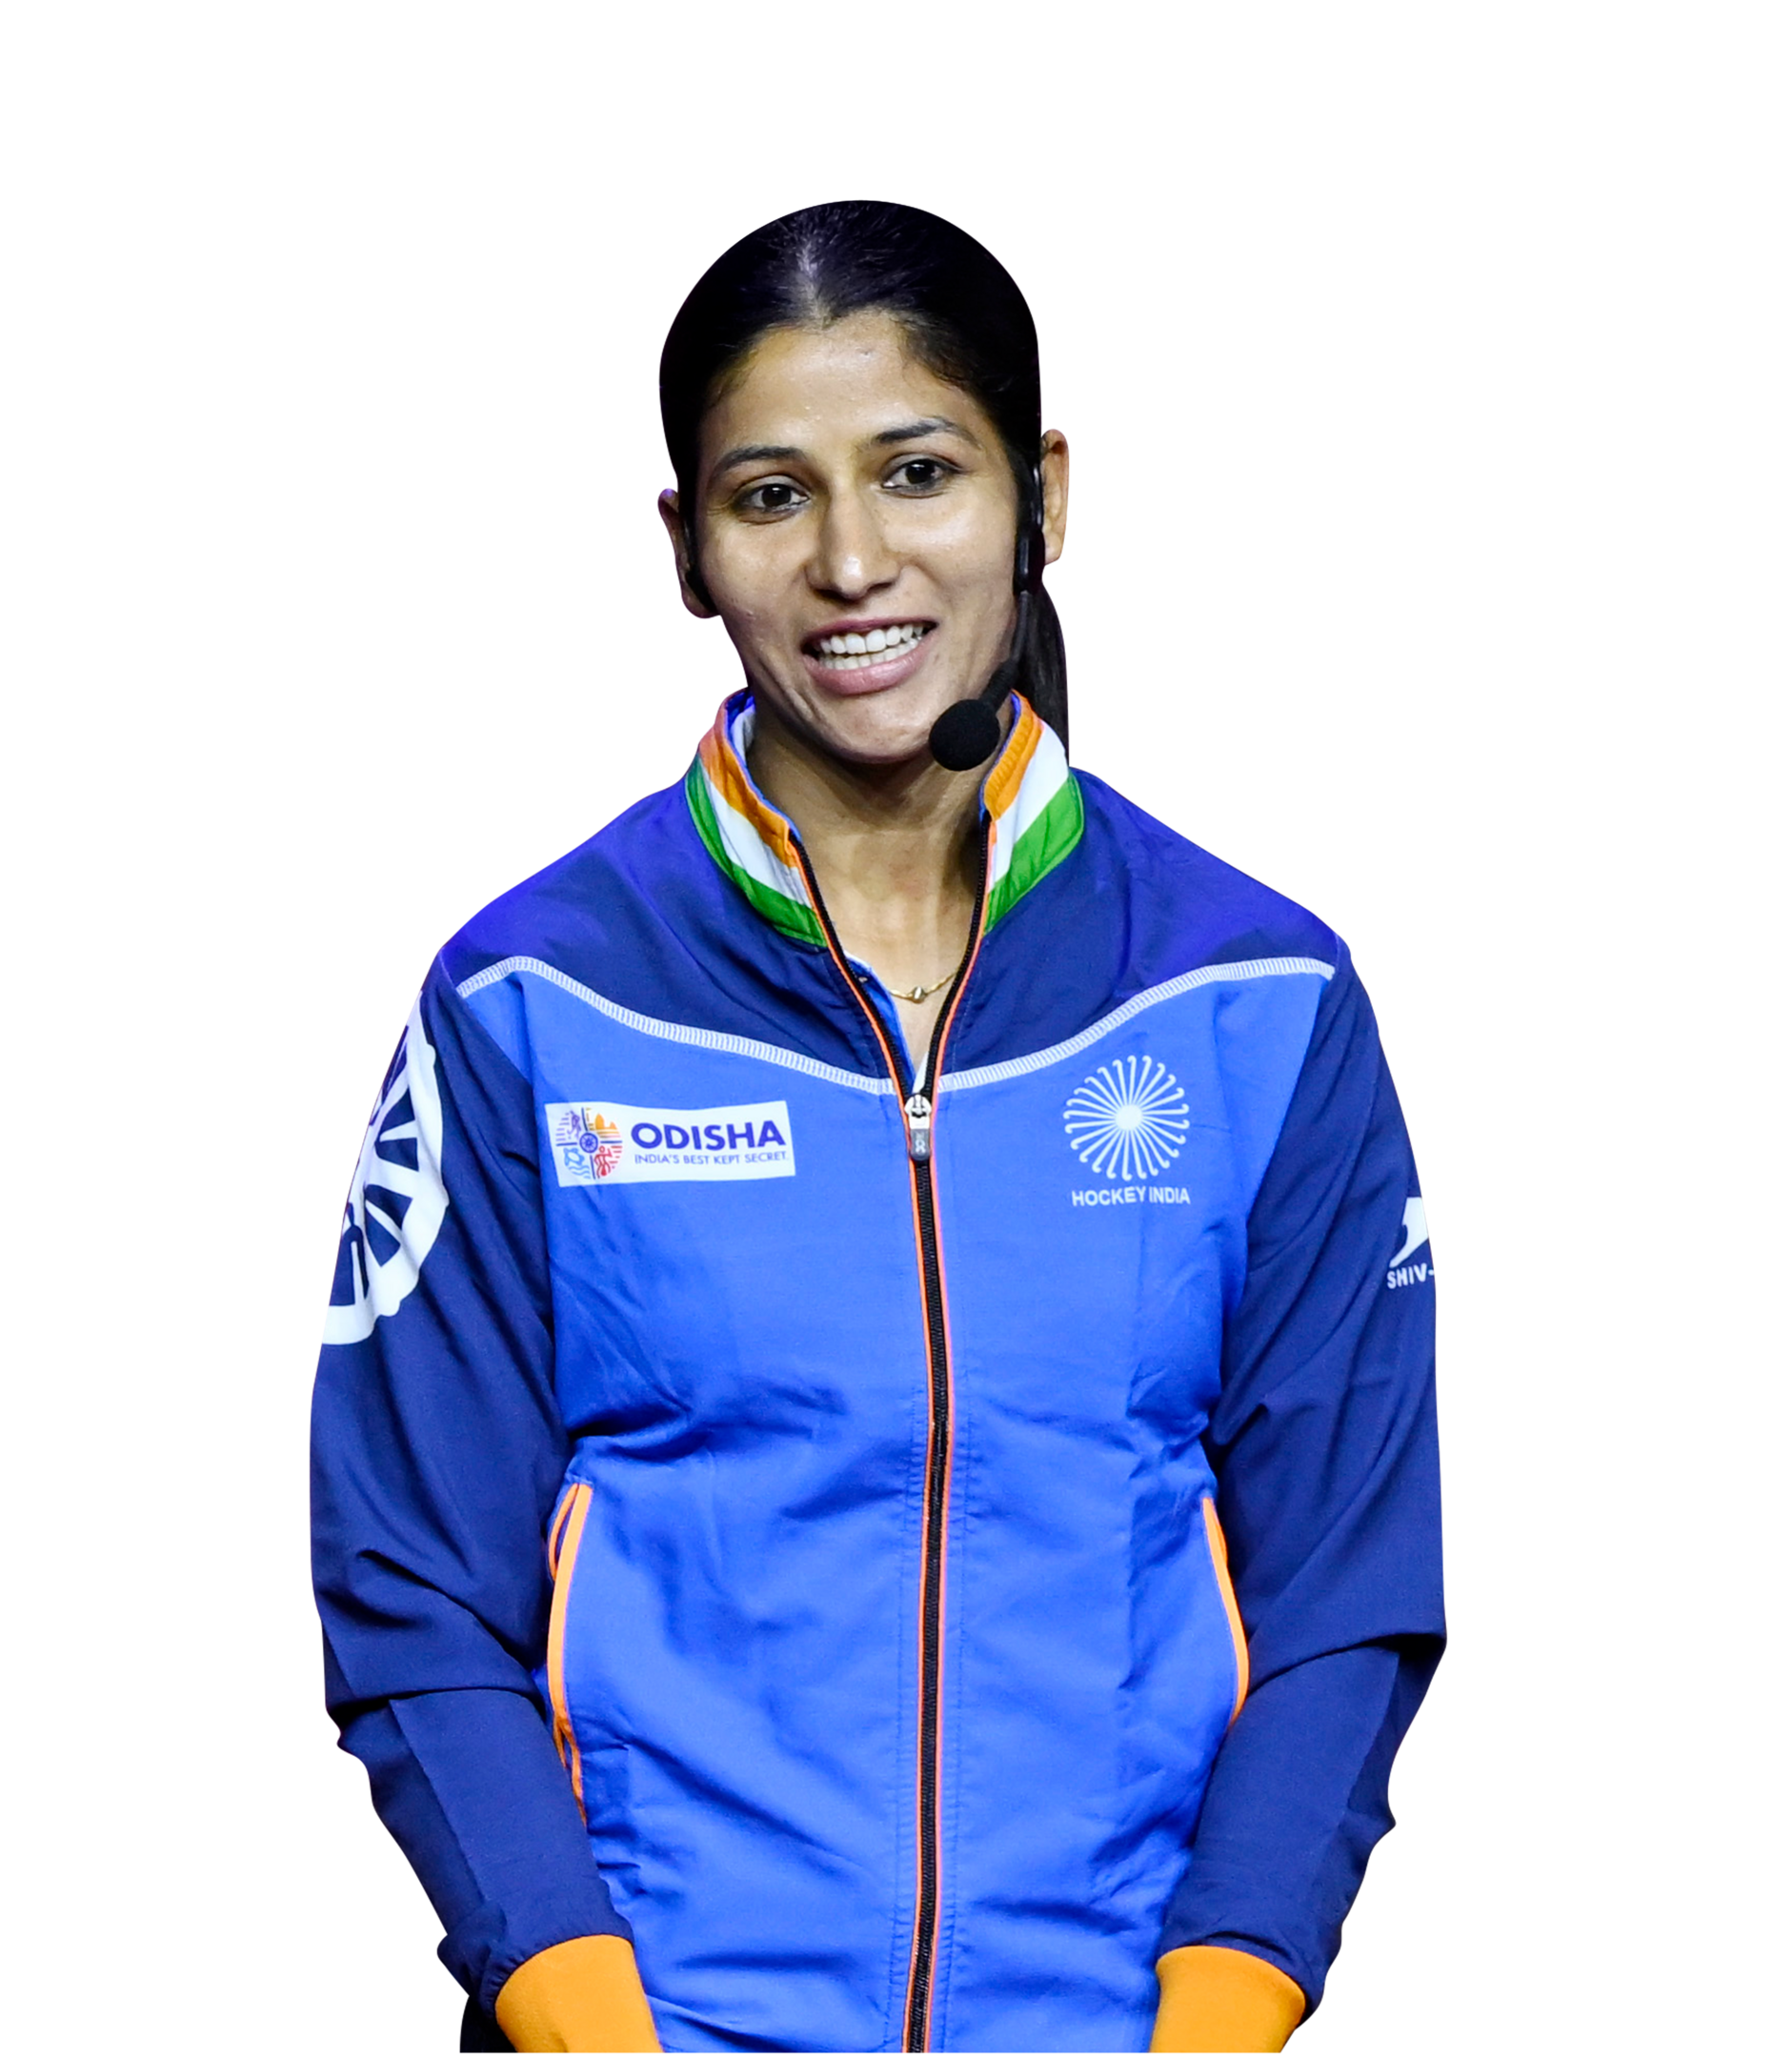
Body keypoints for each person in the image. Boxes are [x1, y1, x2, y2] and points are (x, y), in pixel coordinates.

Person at [311, 198, 1443, 2057]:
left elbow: (1345, 1594)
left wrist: (1214, 2028)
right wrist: (596, 2034)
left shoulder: (1260, 997)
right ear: (686, 552)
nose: (852, 561)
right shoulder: (526, 1002)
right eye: (771, 496)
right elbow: (412, 1590)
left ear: (1042, 495)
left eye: (917, 472)